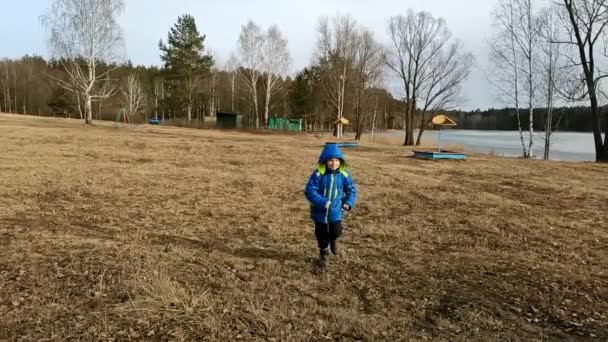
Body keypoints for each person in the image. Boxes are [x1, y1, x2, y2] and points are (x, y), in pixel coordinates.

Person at [304, 143, 357, 267]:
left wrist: (348, 202)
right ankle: (324, 254)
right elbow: (309, 191)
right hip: (319, 212)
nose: (334, 163)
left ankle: (333, 240)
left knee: (336, 231)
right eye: (331, 160)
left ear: (340, 161)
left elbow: (351, 190)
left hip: (335, 211)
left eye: (337, 160)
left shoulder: (344, 175)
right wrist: (323, 202)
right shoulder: (318, 174)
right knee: (321, 234)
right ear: (325, 161)